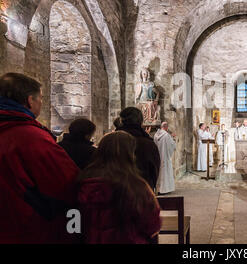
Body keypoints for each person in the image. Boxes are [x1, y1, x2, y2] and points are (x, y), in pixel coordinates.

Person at [0, 72, 79, 243]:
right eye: (41, 98)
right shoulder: (32, 138)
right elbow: (66, 184)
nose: (41, 103)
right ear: (30, 100)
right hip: (25, 229)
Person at [77, 131, 161, 243]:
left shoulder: (82, 182)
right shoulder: (136, 186)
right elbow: (152, 225)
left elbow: (73, 224)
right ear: (130, 154)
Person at [116, 107, 161, 192]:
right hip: (142, 192)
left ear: (121, 121)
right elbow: (154, 170)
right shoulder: (148, 144)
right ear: (141, 122)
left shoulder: (110, 141)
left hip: (115, 192)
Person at [154, 122, 176, 195]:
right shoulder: (166, 135)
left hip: (158, 156)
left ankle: (159, 189)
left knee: (159, 173)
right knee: (165, 173)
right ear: (166, 127)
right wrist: (173, 138)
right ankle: (165, 189)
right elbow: (172, 146)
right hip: (165, 157)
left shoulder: (156, 135)